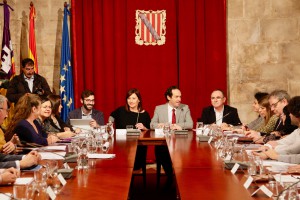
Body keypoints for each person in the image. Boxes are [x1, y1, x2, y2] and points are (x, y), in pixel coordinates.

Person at [150, 86, 193, 187]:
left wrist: (179, 126)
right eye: (176, 97)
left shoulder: (184, 107)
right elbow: (152, 124)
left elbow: (190, 124)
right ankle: (171, 177)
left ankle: (181, 178)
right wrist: (162, 125)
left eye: (180, 97)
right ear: (169, 97)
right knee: (162, 150)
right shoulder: (159, 108)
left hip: (181, 143)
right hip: (164, 143)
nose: (179, 99)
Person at [109, 88, 150, 170]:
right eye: (129, 98)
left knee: (131, 158)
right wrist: (110, 124)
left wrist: (144, 127)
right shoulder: (121, 110)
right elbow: (112, 116)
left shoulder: (144, 114)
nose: (131, 101)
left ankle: (130, 169)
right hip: (121, 145)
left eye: (133, 98)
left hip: (137, 146)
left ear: (139, 100)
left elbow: (149, 131)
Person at [0, 95, 41, 170]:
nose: (6, 115)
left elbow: (1, 156)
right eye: (6, 111)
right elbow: (38, 141)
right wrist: (20, 163)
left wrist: (25, 157)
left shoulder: (1, 129)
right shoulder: (22, 124)